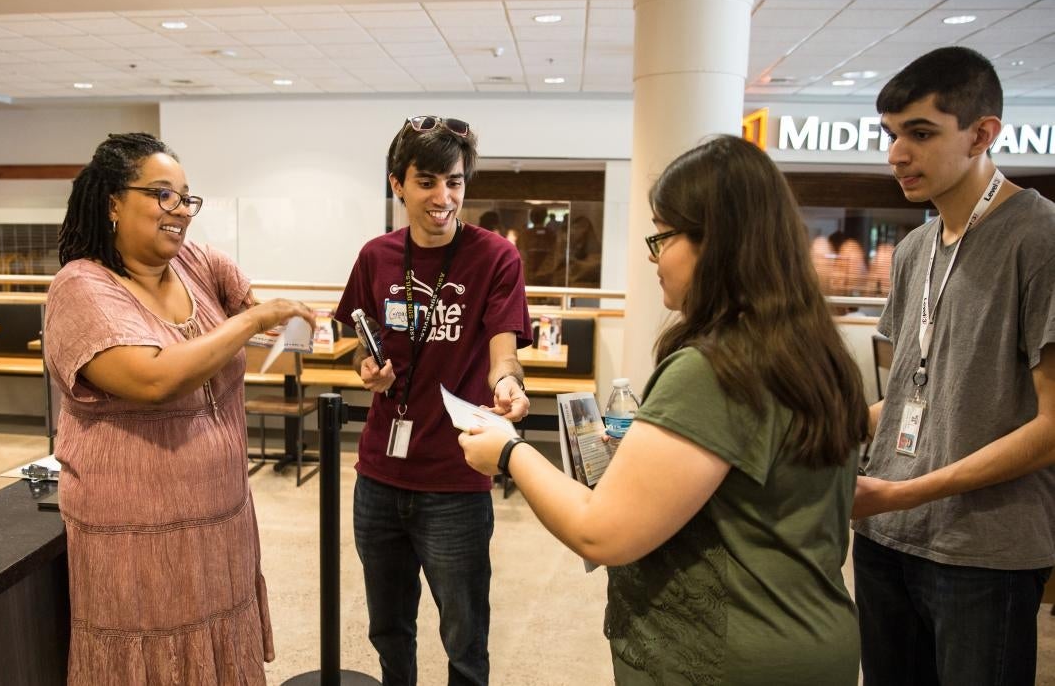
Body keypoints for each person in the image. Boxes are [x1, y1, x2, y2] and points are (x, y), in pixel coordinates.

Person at [460, 135, 869, 684]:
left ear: (715, 241)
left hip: (730, 654)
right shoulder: (812, 349)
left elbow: (601, 533)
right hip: (812, 636)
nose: (652, 256)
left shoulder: (715, 367)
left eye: (663, 237)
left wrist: (511, 454)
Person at [44, 133, 315, 684]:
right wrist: (251, 324)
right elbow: (151, 378)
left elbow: (265, 323)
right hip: (137, 534)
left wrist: (303, 331)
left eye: (186, 198)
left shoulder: (196, 263)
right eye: (163, 195)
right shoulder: (82, 287)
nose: (180, 211)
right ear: (113, 201)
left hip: (222, 521)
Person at [851, 46, 1055, 685]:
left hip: (982, 554)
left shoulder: (1039, 239)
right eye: (890, 135)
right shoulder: (915, 248)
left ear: (982, 134)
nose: (896, 154)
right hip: (886, 537)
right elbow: (921, 396)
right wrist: (829, 429)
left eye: (919, 133)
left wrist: (903, 492)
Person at [333, 115, 531, 685]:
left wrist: (507, 384)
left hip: (457, 476)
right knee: (388, 627)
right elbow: (358, 344)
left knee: (464, 635)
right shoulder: (376, 257)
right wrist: (365, 366)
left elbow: (504, 350)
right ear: (397, 183)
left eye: (455, 181)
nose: (443, 197)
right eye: (427, 182)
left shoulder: (496, 258)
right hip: (380, 475)